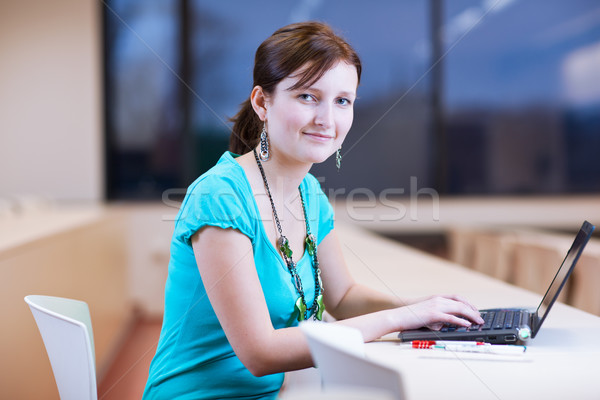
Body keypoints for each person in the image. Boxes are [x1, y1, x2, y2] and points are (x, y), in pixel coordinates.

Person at [142, 21, 484, 400]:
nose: (327, 119)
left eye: (343, 101)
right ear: (262, 102)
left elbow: (343, 297)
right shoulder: (219, 197)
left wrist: (423, 308)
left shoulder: (309, 194)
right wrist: (399, 319)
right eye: (307, 96)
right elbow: (260, 352)